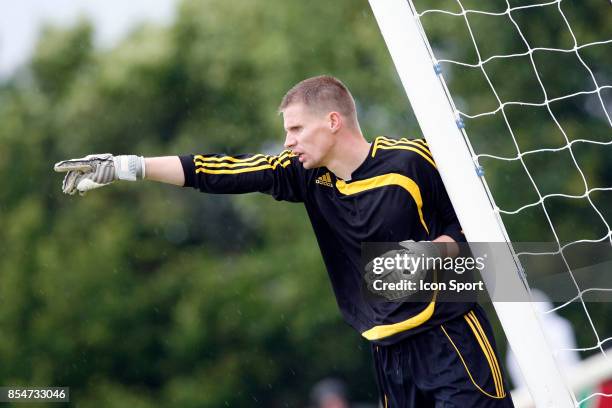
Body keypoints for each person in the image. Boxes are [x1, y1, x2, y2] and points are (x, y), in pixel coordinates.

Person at [54, 75, 514, 407]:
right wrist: (127, 166)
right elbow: (220, 171)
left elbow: (476, 227)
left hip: (450, 338)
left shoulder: (412, 160)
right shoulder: (304, 176)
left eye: (296, 129)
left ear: (333, 121)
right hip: (387, 353)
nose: (288, 141)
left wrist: (439, 251)